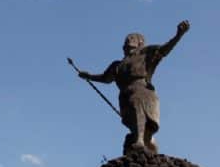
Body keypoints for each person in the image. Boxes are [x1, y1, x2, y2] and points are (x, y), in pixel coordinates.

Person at [78, 20, 190, 155]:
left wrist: (178, 35)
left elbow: (164, 50)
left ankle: (141, 141)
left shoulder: (146, 53)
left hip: (141, 91)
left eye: (131, 39)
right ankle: (145, 142)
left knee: (137, 107)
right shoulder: (117, 65)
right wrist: (89, 76)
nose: (127, 42)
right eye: (126, 40)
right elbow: (105, 78)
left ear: (140, 42)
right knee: (133, 122)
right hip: (124, 95)